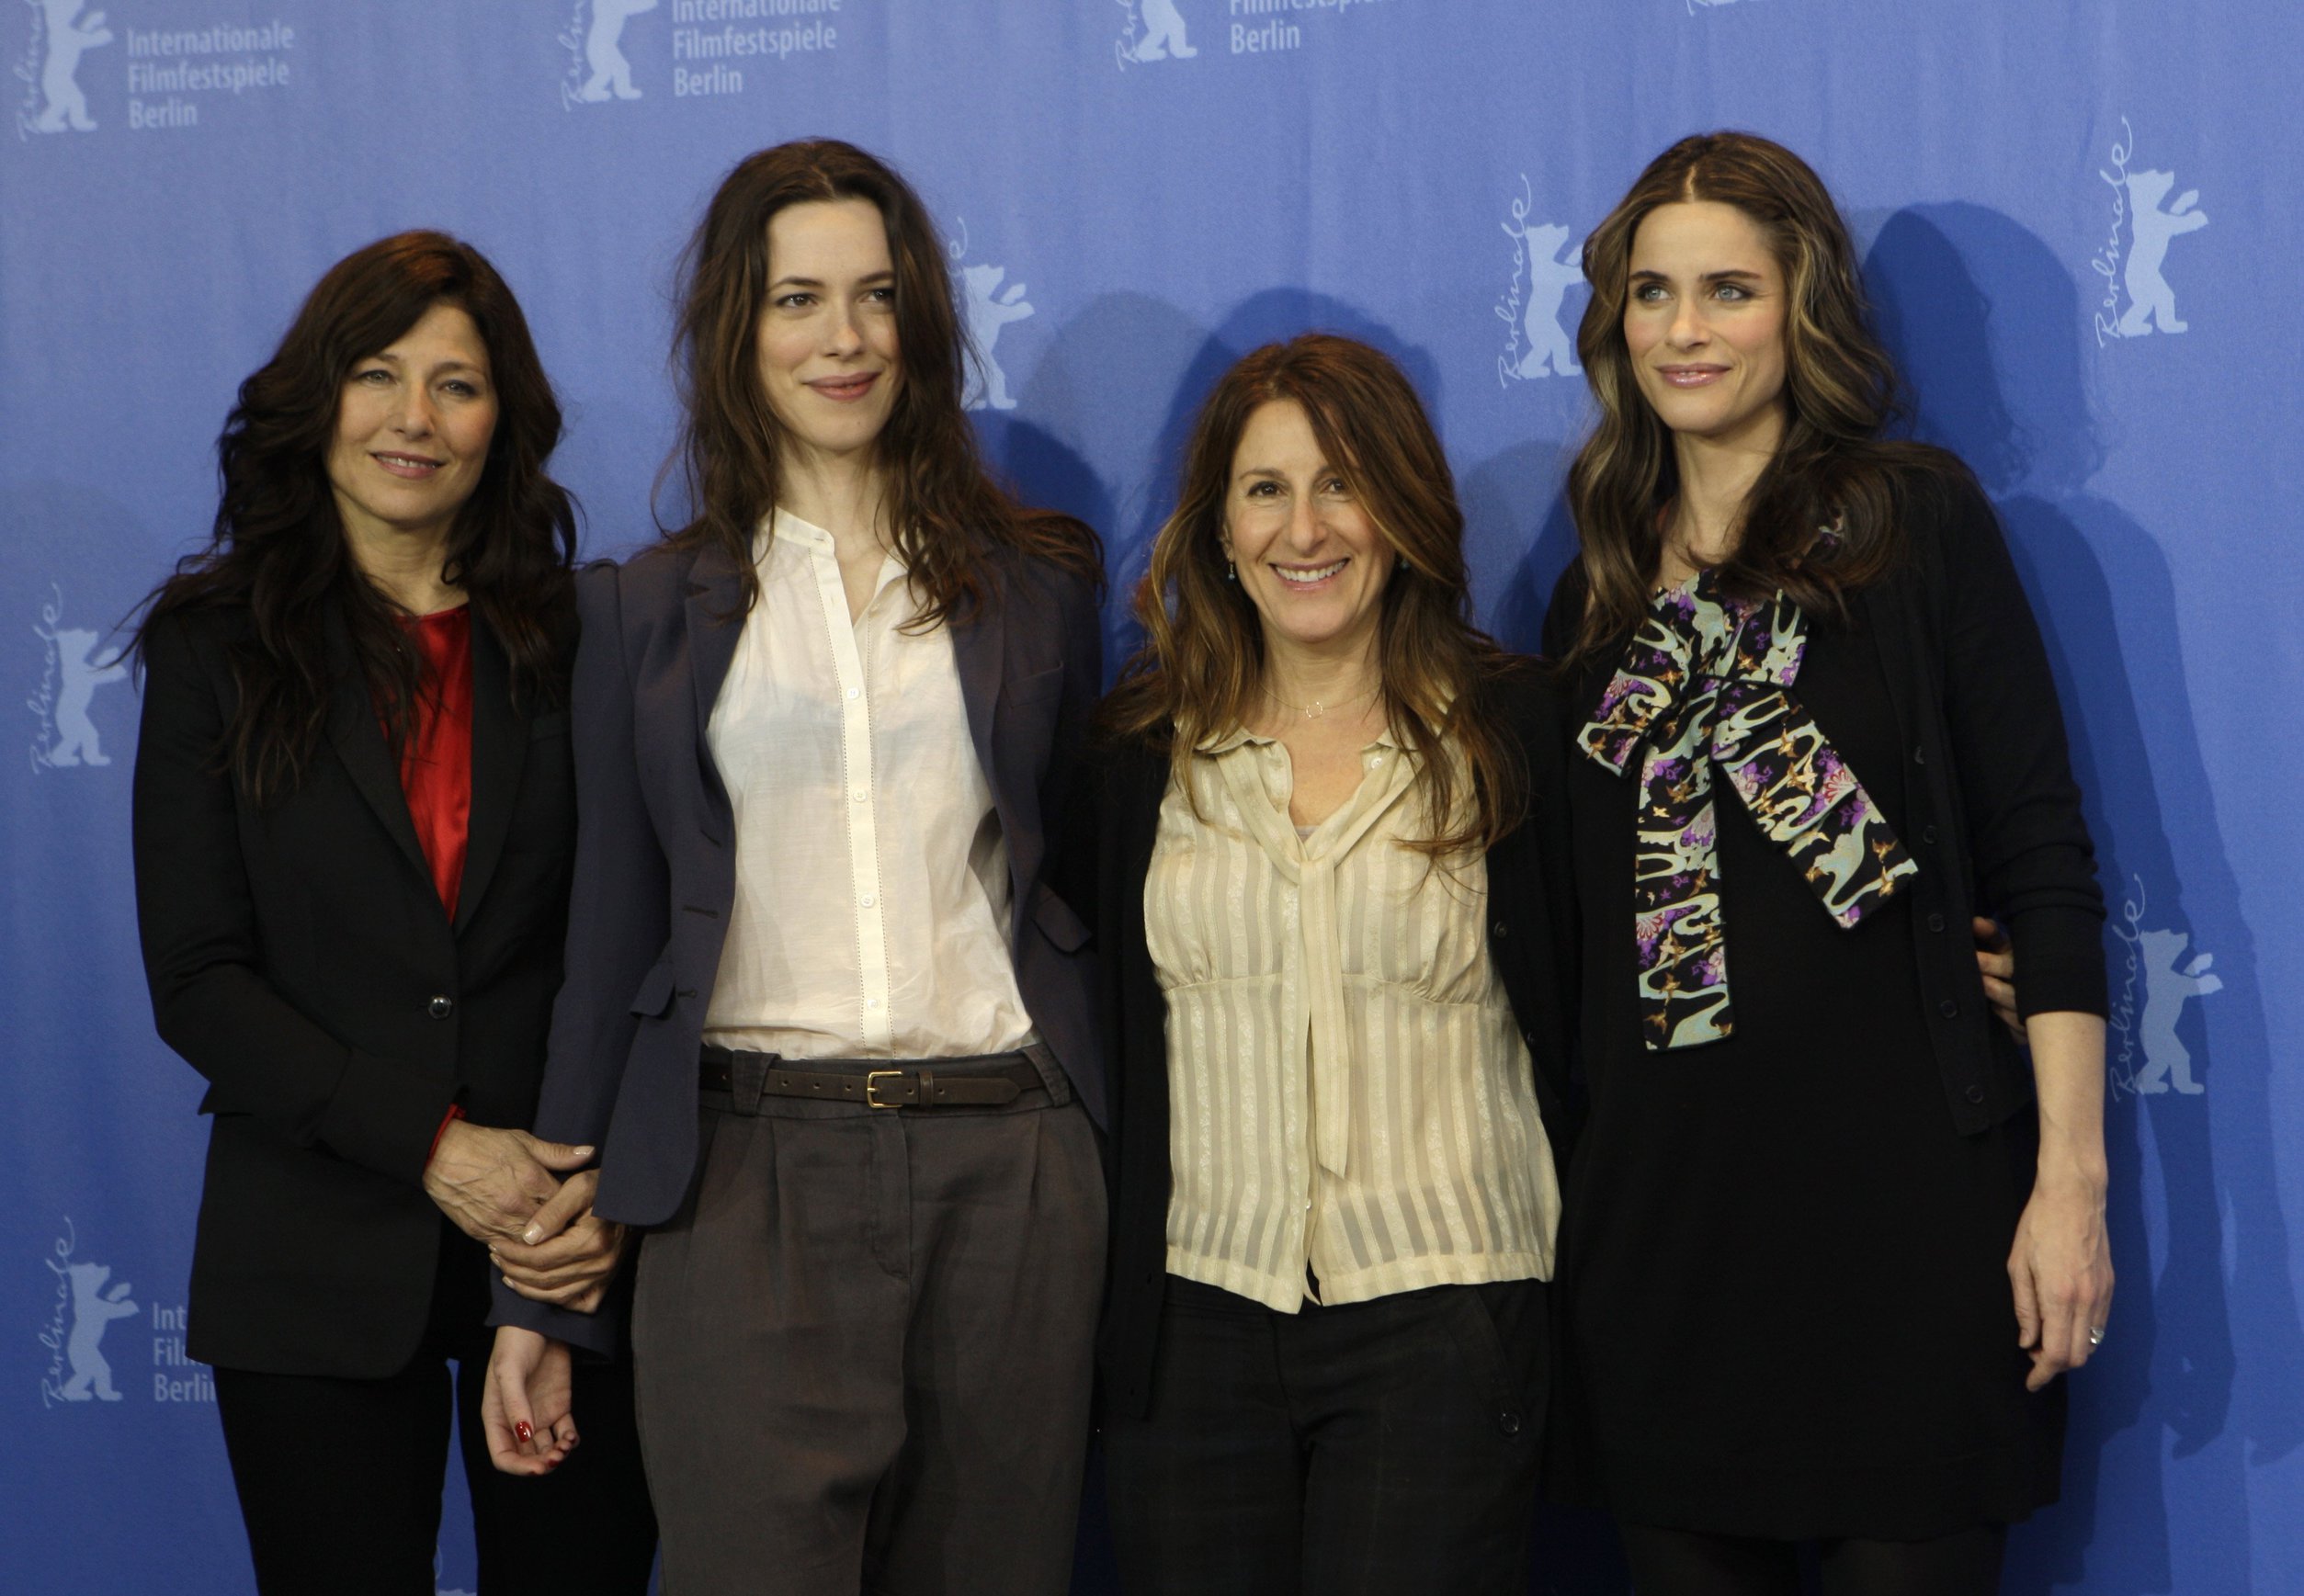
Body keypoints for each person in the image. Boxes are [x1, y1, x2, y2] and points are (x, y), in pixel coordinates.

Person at [480, 141, 1109, 1596]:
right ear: (734, 332)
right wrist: (538, 1292)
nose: (843, 339)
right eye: (798, 300)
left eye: (876, 298)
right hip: (741, 1175)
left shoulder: (1036, 586)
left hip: (1011, 1163)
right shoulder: (640, 611)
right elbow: (604, 953)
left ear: (922, 323)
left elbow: (1079, 884)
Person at [1542, 131, 2114, 1595]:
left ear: (1803, 308)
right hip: (1667, 1237)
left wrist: (2072, 1186)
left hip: (1912, 1225)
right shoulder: (1590, 593)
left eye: (1728, 288)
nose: (1685, 329)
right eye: (1653, 293)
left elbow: (2040, 855)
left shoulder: (1913, 525)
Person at [131, 232, 656, 1596]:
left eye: (456, 384)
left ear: (505, 422)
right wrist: (430, 1142)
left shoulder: (577, 637)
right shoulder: (212, 648)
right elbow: (197, 977)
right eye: (378, 374)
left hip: (558, 1254)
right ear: (320, 399)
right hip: (309, 1257)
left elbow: (635, 939)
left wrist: (600, 1197)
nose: (414, 419)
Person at [1089, 334, 1583, 1595]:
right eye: (1265, 488)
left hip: (1447, 1313)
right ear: (1217, 523)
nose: (1304, 528)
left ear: (1405, 508)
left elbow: (1650, 970)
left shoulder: (1517, 734)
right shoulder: (1133, 753)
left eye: (1342, 483)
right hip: (1192, 1316)